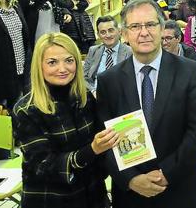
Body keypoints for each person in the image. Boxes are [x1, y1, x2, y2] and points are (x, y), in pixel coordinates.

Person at [96, 0, 196, 208]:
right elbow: (105, 141)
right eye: (135, 26)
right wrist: (130, 179)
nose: (144, 32)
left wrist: (167, 173)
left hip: (179, 189)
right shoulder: (108, 81)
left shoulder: (190, 71)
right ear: (124, 34)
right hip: (131, 194)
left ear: (161, 27)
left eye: (150, 24)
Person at [13, 32, 118, 208]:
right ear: (39, 66)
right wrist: (92, 150)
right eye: (52, 62)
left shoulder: (84, 98)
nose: (63, 69)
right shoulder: (26, 110)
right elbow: (44, 165)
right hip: (52, 200)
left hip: (93, 195)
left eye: (69, 60)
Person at [0, 0, 30, 117]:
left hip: (22, 68)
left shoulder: (15, 7)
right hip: (3, 73)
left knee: (25, 108)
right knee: (10, 112)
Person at [83, 15, 132, 93]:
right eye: (103, 32)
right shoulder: (93, 51)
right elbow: (83, 77)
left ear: (119, 31)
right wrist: (92, 91)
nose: (108, 35)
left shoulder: (130, 52)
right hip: (95, 96)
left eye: (111, 30)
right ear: (98, 35)